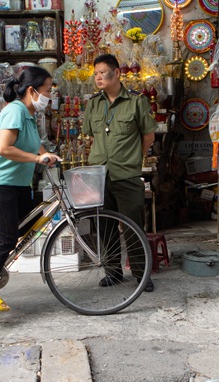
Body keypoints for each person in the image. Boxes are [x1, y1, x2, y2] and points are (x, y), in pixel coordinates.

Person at [0, 67, 60, 311]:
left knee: (32, 222)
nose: (49, 96)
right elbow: (3, 148)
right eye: (47, 91)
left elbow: (34, 143)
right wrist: (36, 159)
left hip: (17, 185)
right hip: (1, 184)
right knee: (7, 239)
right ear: (32, 90)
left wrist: (45, 154)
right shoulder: (15, 111)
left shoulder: (28, 116)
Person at [82, 54, 158, 292]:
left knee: (134, 226)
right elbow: (91, 137)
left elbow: (148, 136)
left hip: (126, 175)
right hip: (98, 176)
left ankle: (140, 274)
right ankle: (113, 272)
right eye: (95, 74)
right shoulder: (93, 103)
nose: (98, 78)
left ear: (117, 73)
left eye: (103, 72)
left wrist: (133, 158)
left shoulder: (137, 102)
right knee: (103, 226)